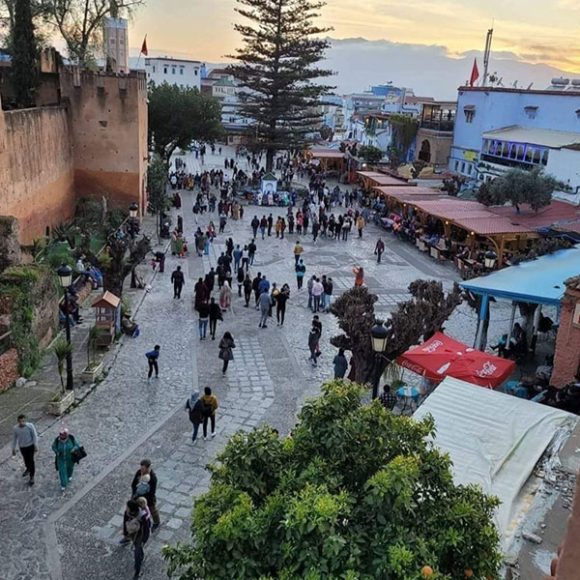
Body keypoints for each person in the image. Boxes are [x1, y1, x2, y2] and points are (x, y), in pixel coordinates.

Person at [122, 499, 150, 579]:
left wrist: (144, 540)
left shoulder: (143, 516)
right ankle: (141, 553)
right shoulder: (127, 513)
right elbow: (125, 522)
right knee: (137, 548)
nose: (126, 508)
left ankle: (137, 570)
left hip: (139, 536)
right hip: (132, 533)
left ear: (132, 509)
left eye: (127, 507)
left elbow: (146, 529)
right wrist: (125, 533)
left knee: (136, 553)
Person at [130, 459, 160, 530]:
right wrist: (135, 493)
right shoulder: (139, 473)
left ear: (148, 468)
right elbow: (134, 484)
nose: (141, 470)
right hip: (137, 496)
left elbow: (152, 492)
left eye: (143, 468)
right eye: (141, 468)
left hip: (148, 498)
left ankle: (156, 522)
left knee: (153, 510)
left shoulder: (153, 478)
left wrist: (143, 498)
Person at [12, 414, 38, 486]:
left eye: (23, 421)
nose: (22, 423)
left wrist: (35, 445)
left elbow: (34, 435)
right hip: (22, 447)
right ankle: (28, 469)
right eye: (20, 421)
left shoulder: (30, 426)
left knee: (31, 460)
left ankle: (32, 476)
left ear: (25, 421)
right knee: (26, 460)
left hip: (30, 446)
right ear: (18, 421)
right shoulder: (15, 428)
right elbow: (14, 439)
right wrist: (13, 448)